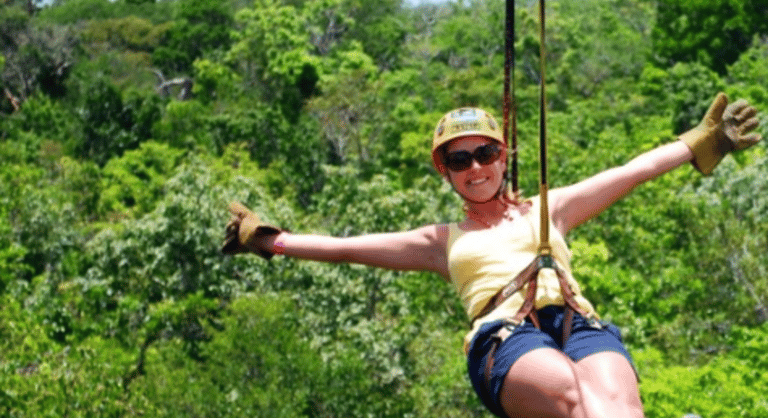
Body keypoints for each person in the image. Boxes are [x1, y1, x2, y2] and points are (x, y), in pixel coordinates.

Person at [222, 93, 760, 418]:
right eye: (460, 159)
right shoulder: (440, 239)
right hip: (505, 337)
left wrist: (700, 141)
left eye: (485, 152)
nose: (475, 166)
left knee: (621, 408)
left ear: (503, 156)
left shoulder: (550, 207)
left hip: (575, 319)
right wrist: (269, 239)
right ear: (446, 171)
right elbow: (344, 250)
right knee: (574, 400)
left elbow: (631, 171)